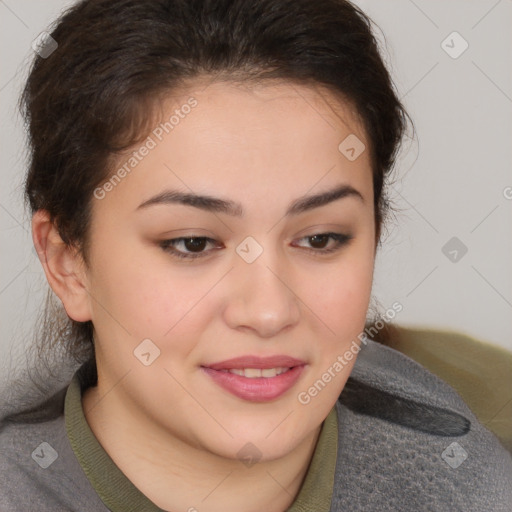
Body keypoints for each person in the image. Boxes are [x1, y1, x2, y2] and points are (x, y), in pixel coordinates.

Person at [1, 0, 511, 510]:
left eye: (320, 239)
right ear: (67, 264)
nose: (268, 311)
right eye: (193, 243)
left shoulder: (474, 482)